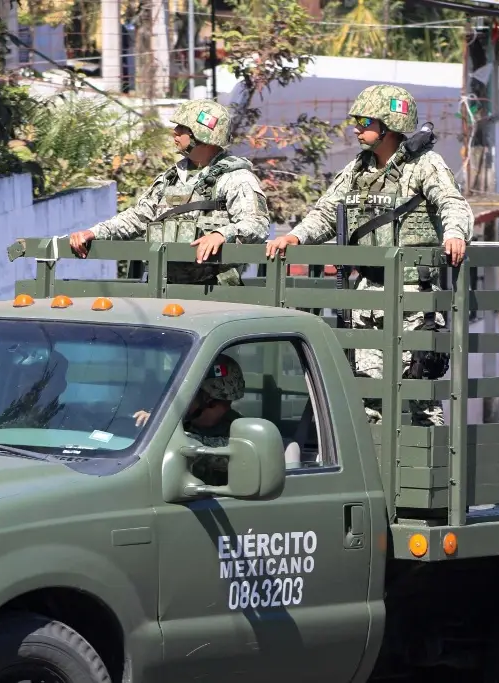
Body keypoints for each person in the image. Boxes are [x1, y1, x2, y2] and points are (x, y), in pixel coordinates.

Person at [265, 84, 474, 427]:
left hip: (413, 296)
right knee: (367, 398)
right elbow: (326, 213)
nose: (356, 128)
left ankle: (426, 475)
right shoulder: (357, 169)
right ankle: (375, 473)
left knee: (421, 396)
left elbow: (452, 203)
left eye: (364, 121)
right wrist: (294, 236)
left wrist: (453, 233)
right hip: (367, 294)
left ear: (389, 125)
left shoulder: (425, 165)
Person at [69, 99, 270, 285]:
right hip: (165, 286)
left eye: (182, 128)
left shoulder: (235, 178)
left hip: (215, 290)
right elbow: (139, 217)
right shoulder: (171, 177)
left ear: (201, 135)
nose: (174, 132)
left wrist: (221, 234)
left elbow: (257, 224)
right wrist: (95, 232)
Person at [134, 353, 245, 484]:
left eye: (190, 393)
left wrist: (163, 431)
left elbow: (204, 451)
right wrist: (152, 423)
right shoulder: (177, 419)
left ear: (208, 400)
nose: (180, 399)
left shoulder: (240, 433)